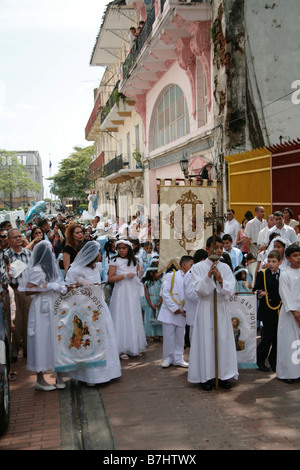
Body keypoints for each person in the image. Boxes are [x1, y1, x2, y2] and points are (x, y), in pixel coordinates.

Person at [65, 241, 121, 386]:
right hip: (84, 308)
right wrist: (79, 283)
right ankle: (90, 376)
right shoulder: (75, 269)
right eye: (98, 253)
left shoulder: (97, 267)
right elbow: (68, 290)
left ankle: (107, 372)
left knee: (103, 337)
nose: (99, 255)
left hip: (99, 305)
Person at [188, 236, 238, 391]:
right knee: (206, 341)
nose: (218, 250)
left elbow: (231, 290)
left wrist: (221, 280)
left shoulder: (225, 267)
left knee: (222, 340)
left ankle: (223, 375)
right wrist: (209, 276)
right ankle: (206, 376)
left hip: (221, 307)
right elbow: (199, 290)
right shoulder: (197, 267)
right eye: (215, 247)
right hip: (206, 308)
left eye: (221, 247)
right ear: (207, 248)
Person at [18, 240, 67, 391]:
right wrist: (47, 287)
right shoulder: (37, 269)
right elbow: (28, 290)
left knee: (56, 339)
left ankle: (59, 375)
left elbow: (57, 282)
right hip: (41, 308)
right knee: (41, 339)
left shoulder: (51, 268)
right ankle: (40, 378)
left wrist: (61, 287)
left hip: (54, 306)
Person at [108, 240, 147, 360]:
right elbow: (110, 278)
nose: (121, 250)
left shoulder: (135, 260)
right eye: (119, 248)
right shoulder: (114, 260)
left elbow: (138, 276)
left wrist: (140, 273)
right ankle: (121, 348)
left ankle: (134, 345)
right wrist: (124, 276)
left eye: (124, 248)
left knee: (132, 315)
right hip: (120, 292)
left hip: (132, 292)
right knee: (121, 317)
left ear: (129, 249)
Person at [158, 255, 193, 369]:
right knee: (168, 336)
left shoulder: (192, 278)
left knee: (180, 336)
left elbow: (191, 296)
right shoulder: (172, 275)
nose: (193, 267)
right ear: (184, 265)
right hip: (170, 311)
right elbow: (165, 293)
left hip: (183, 312)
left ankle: (178, 358)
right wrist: (174, 308)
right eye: (191, 265)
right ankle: (167, 358)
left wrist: (186, 310)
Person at [253, 250, 281, 372]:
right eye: (269, 261)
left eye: (274, 261)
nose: (271, 264)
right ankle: (260, 360)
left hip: (279, 310)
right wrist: (260, 292)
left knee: (277, 338)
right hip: (267, 310)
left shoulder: (283, 274)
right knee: (266, 337)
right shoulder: (262, 274)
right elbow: (256, 289)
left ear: (280, 262)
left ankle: (274, 361)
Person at [7, 229, 32, 362]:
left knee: (28, 320)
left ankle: (28, 350)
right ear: (9, 240)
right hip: (13, 290)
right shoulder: (6, 256)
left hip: (27, 290)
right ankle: (14, 352)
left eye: (19, 237)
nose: (18, 239)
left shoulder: (29, 254)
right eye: (14, 237)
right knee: (14, 322)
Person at [276, 245, 300, 383]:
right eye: (295, 256)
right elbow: (285, 294)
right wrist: (296, 314)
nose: (298, 258)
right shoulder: (285, 273)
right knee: (289, 343)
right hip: (290, 314)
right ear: (288, 258)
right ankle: (287, 373)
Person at [184, 249, 208, 347]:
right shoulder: (191, 273)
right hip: (195, 314)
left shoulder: (199, 271)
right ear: (202, 260)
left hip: (202, 314)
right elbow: (191, 294)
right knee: (196, 345)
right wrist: (206, 294)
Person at [142, 262, 163, 341]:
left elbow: (163, 293)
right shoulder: (147, 283)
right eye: (157, 273)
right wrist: (151, 304)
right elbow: (147, 295)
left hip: (159, 302)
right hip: (150, 302)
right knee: (150, 318)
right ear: (151, 273)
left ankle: (160, 334)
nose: (159, 274)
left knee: (159, 318)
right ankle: (151, 335)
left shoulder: (161, 283)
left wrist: (160, 302)